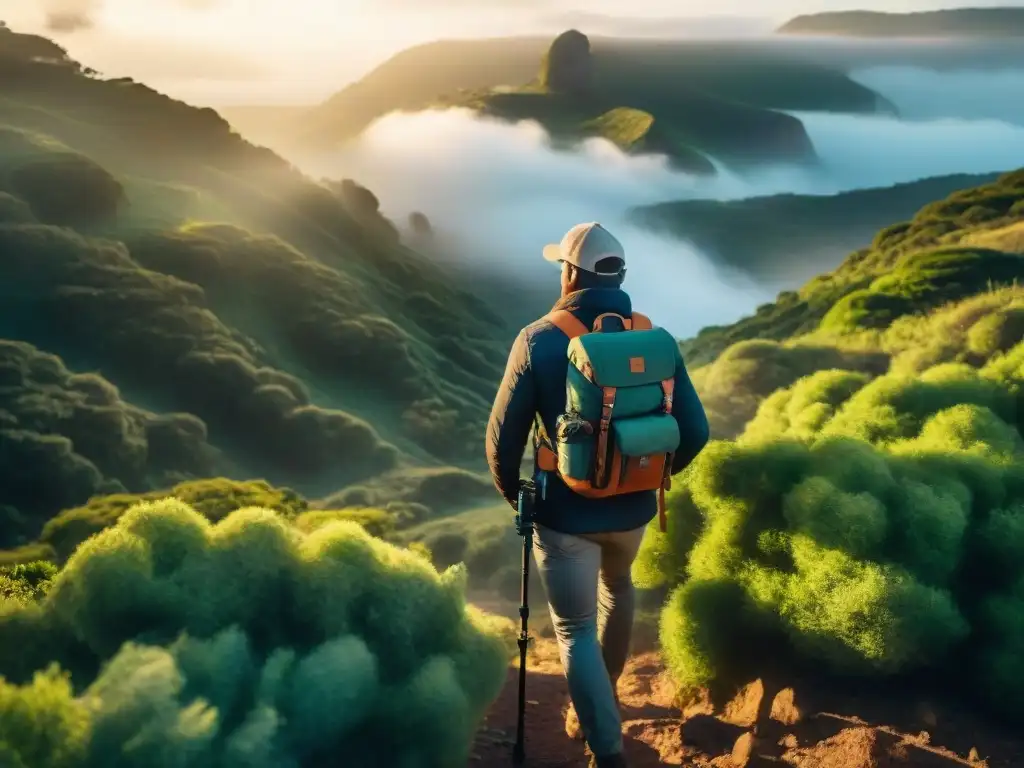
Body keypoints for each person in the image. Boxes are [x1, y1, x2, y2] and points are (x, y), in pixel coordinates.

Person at [485, 222, 710, 768]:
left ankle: (606, 751)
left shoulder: (539, 338)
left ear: (568, 273)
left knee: (574, 628)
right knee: (618, 586)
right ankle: (602, 697)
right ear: (620, 275)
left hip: (564, 513)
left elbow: (501, 440)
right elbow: (696, 431)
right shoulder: (651, 336)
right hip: (634, 510)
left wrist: (516, 493)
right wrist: (649, 475)